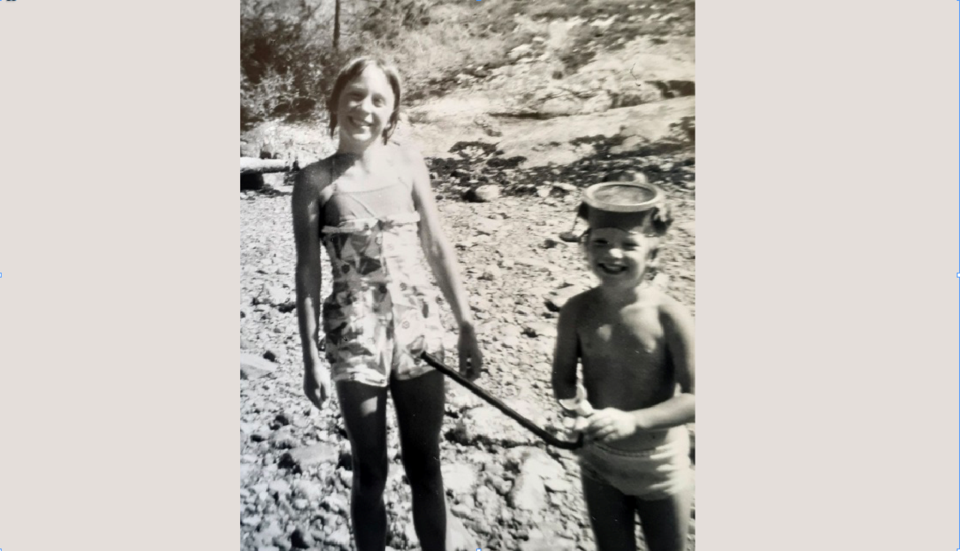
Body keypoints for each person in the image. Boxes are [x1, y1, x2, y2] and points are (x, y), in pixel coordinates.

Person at [292, 56, 483, 551]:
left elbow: (436, 245)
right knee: (371, 471)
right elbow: (308, 271)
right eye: (355, 95)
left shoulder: (408, 163)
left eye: (379, 99)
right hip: (354, 335)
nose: (365, 108)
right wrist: (310, 355)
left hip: (419, 329)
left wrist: (465, 322)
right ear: (335, 102)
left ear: (393, 112)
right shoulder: (315, 181)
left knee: (426, 464)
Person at [552, 183, 695, 551]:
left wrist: (634, 420)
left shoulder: (670, 316)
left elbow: (696, 399)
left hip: (659, 466)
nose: (612, 253)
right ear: (585, 246)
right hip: (599, 462)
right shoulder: (576, 310)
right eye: (600, 241)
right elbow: (563, 381)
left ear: (654, 253)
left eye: (629, 244)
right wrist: (578, 413)